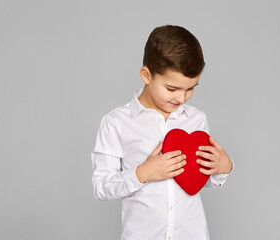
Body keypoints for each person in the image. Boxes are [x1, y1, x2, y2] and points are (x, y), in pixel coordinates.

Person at [91, 25, 234, 240]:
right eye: (172, 89)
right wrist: (142, 174)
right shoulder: (116, 123)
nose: (182, 98)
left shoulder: (197, 120)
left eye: (191, 88)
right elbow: (101, 187)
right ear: (146, 75)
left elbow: (198, 178)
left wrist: (223, 168)